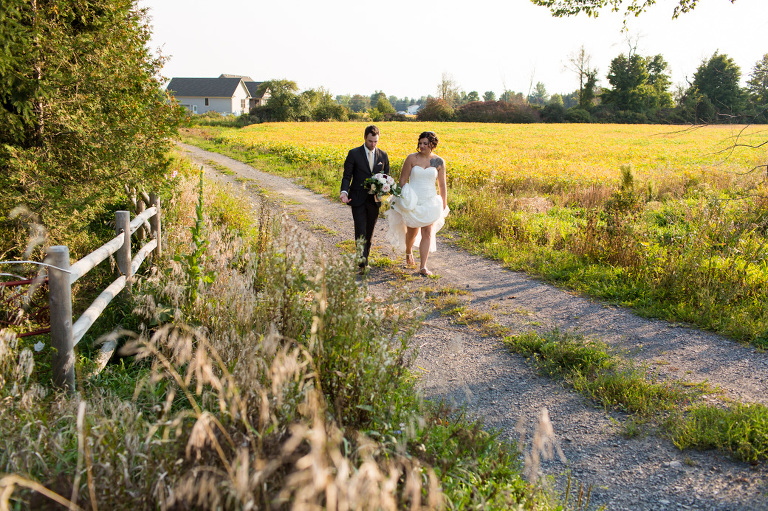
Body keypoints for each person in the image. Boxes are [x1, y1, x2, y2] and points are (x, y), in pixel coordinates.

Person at [385, 131, 449, 276]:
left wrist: (443, 203)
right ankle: (408, 251)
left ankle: (423, 266)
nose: (421, 146)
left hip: (430, 200)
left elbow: (442, 185)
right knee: (412, 232)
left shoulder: (439, 162)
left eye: (425, 143)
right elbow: (403, 180)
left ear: (432, 145)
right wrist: (402, 197)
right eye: (420, 143)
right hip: (412, 199)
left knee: (427, 232)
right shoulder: (411, 158)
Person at [340, 125, 390, 271]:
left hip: (374, 200)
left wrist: (384, 190)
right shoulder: (354, 153)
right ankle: (363, 262)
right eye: (370, 141)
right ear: (365, 138)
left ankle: (364, 257)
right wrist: (344, 191)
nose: (373, 144)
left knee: (369, 230)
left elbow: (386, 176)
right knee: (360, 229)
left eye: (375, 141)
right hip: (357, 198)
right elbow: (347, 175)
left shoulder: (383, 155)